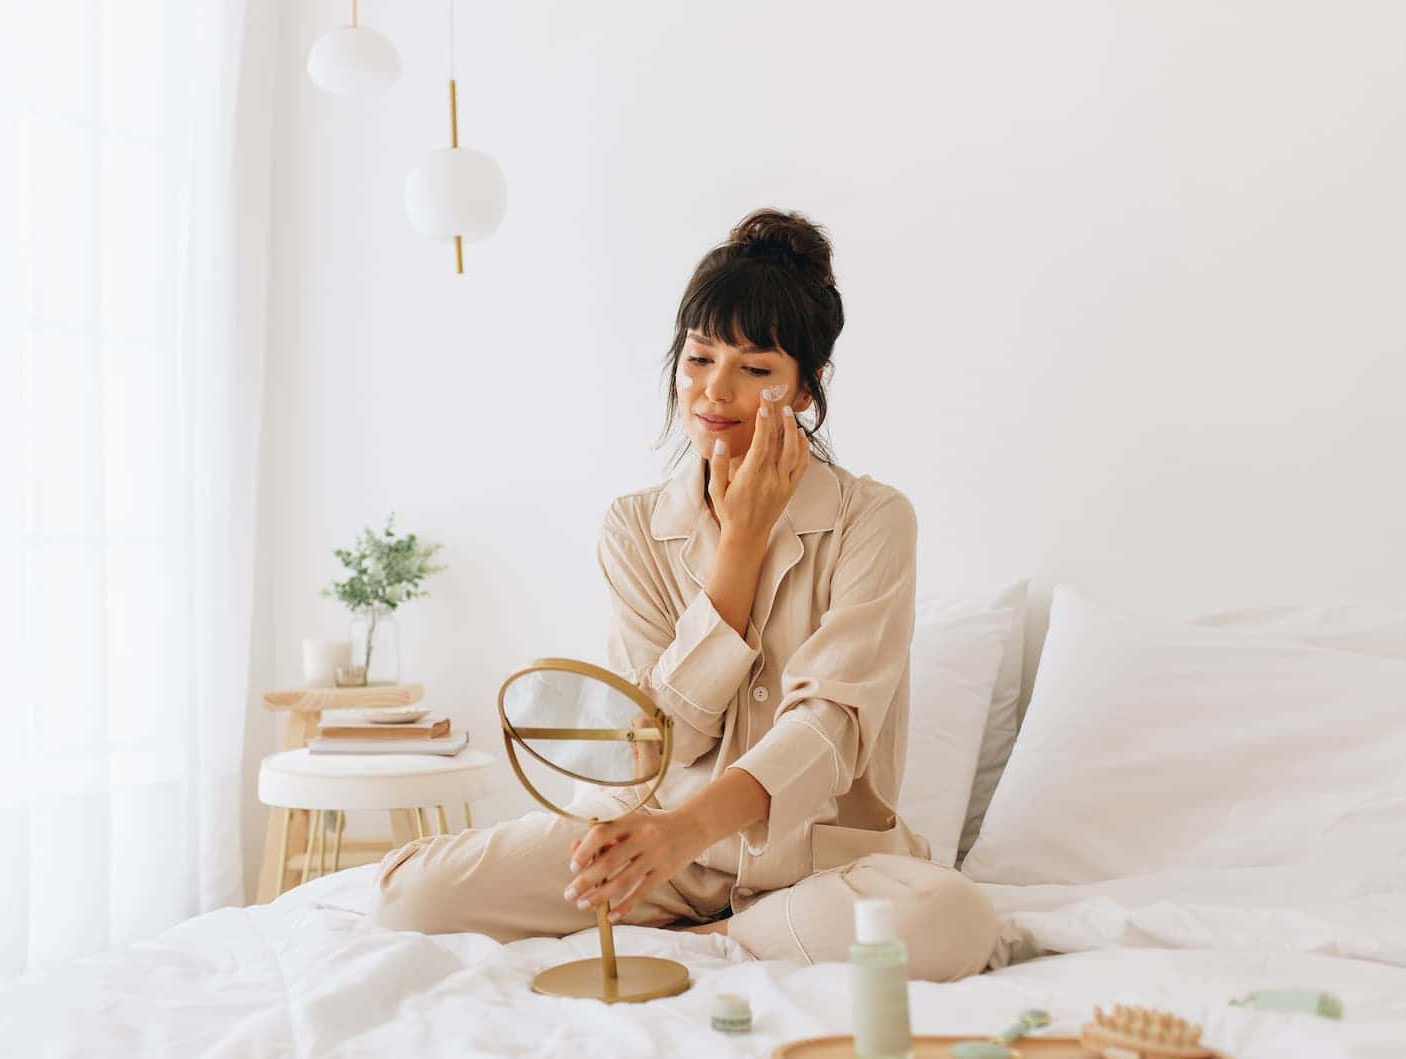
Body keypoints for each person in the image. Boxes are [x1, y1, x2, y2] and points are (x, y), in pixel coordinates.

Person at [369, 209, 999, 977]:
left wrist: (685, 831)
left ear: (806, 389)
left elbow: (831, 731)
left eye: (756, 369)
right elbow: (653, 740)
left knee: (950, 919)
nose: (715, 392)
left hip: (820, 866)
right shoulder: (634, 526)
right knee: (410, 897)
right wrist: (737, 549)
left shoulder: (873, 521)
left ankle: (724, 942)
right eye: (699, 359)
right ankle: (740, 930)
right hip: (663, 846)